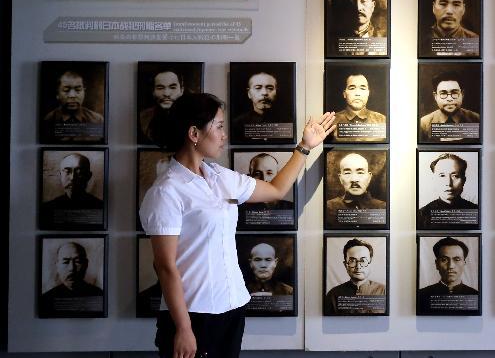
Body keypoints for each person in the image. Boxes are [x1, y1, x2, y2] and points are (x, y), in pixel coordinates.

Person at [140, 92, 334, 358]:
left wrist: (305, 146)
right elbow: (164, 265)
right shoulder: (166, 191)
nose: (224, 135)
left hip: (232, 307)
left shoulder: (220, 177)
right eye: (218, 127)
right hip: (194, 315)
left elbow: (276, 189)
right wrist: (183, 329)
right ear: (194, 134)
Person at [324, 238, 387, 315]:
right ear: (345, 265)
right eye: (352, 261)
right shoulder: (333, 295)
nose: (358, 266)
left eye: (363, 261)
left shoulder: (384, 291)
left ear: (370, 263)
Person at [416, 237, 478, 311]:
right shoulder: (421, 295)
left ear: (464, 263)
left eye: (457, 259)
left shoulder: (475, 295)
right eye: (444, 260)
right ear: (437, 264)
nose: (450, 266)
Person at [39, 241, 104, 312]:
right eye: (65, 262)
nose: (72, 268)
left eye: (78, 261)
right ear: (57, 265)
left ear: (86, 264)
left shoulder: (98, 295)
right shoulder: (46, 299)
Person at [417, 153, 478, 228]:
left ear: (464, 180)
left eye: (455, 176)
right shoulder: (422, 215)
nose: (448, 183)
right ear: (434, 180)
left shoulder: (476, 212)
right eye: (442, 175)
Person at [41, 70, 104, 140]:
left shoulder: (98, 120)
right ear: (57, 94)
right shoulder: (47, 121)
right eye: (66, 90)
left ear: (84, 92)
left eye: (78, 90)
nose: (72, 95)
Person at [419, 72, 480, 141]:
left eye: (454, 93)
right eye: (443, 93)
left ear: (462, 94)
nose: (449, 99)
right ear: (435, 96)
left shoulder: (476, 119)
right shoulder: (424, 124)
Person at [40, 153, 103, 219]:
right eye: (67, 171)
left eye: (79, 172)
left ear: (88, 176)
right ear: (60, 175)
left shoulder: (100, 207)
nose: (72, 178)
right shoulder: (47, 208)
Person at [325, 152, 386, 220]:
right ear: (340, 178)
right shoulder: (329, 207)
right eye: (347, 173)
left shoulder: (383, 207)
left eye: (360, 173)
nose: (354, 179)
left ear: (369, 177)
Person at [332, 73, 387, 142]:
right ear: (344, 94)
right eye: (352, 88)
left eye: (362, 88)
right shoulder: (332, 122)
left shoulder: (382, 120)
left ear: (368, 93)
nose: (357, 93)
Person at [140, 70, 186, 145]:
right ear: (153, 92)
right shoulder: (143, 117)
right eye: (160, 88)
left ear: (181, 90)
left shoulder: (193, 118)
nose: (166, 94)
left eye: (172, 87)